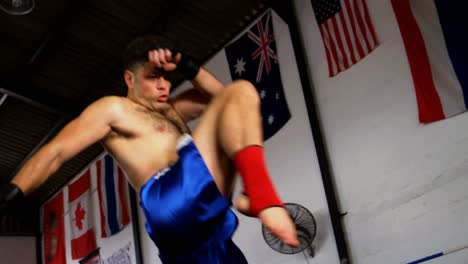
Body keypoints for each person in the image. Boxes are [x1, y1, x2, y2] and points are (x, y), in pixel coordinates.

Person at [0, 35, 298, 263]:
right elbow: (57, 152)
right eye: (153, 77)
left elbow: (235, 104)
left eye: (166, 77)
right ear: (130, 79)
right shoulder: (115, 109)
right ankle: (259, 197)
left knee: (241, 97)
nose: (163, 85)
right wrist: (9, 195)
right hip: (169, 198)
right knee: (240, 93)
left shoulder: (174, 109)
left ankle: (251, 195)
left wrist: (185, 63)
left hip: (203, 225)